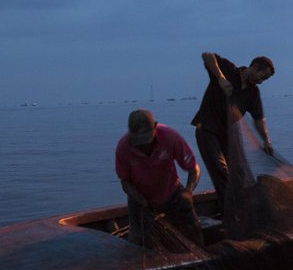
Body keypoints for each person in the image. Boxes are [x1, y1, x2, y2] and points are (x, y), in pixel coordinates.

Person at [191, 52, 275, 204]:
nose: (261, 82)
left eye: (265, 80)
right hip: (207, 129)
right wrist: (221, 78)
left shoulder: (253, 92)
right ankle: (228, 212)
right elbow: (207, 55)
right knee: (220, 170)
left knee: (239, 173)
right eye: (262, 77)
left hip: (229, 133)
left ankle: (241, 207)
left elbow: (258, 119)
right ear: (254, 67)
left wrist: (266, 140)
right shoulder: (228, 69)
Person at [116, 109, 204, 248]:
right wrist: (141, 201)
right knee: (138, 239)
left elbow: (194, 169)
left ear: (155, 126)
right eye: (139, 142)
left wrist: (188, 191)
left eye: (146, 140)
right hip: (140, 198)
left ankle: (198, 257)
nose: (144, 146)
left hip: (171, 192)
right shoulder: (123, 147)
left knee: (192, 227)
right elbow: (125, 182)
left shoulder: (171, 137)